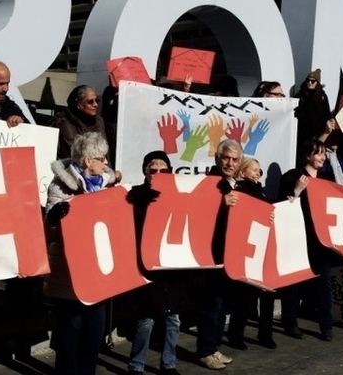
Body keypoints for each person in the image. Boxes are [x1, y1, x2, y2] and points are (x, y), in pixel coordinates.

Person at [44, 132, 118, 375]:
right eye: (102, 158)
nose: (106, 163)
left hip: (98, 273)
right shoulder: (60, 186)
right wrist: (54, 219)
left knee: (93, 336)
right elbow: (50, 232)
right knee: (70, 335)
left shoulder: (107, 186)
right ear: (88, 160)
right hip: (69, 275)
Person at [124, 151, 186, 375]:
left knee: (173, 319)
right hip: (147, 267)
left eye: (164, 170)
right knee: (146, 319)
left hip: (172, 268)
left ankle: (169, 364)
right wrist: (140, 203)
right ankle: (136, 366)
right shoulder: (134, 195)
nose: (158, 174)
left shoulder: (179, 194)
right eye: (153, 170)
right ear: (145, 172)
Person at [278, 139, 334, 342]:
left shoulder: (327, 179)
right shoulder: (292, 177)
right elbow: (282, 207)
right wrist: (297, 191)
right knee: (294, 284)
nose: (322, 157)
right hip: (298, 238)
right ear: (307, 156)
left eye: (323, 154)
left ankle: (326, 326)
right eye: (318, 153)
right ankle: (290, 323)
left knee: (324, 285)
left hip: (321, 241)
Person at [194, 139, 241, 370]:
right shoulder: (209, 183)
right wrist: (219, 203)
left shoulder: (234, 184)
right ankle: (204, 351)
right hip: (210, 256)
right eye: (226, 158)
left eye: (234, 159)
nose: (230, 163)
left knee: (222, 307)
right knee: (210, 307)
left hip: (229, 256)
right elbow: (195, 213)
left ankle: (213, 347)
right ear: (217, 159)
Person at [225, 157, 278, 350]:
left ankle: (266, 333)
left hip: (261, 247)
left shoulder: (259, 192)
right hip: (246, 248)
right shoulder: (238, 192)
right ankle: (235, 335)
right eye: (254, 169)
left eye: (260, 170)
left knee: (267, 293)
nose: (258, 173)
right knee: (245, 297)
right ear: (242, 171)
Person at [50, 85, 108, 161]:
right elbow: (74, 157)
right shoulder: (65, 123)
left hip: (99, 168)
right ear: (79, 104)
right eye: (90, 101)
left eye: (97, 100)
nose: (95, 104)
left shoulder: (98, 121)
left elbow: (106, 152)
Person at [293, 69, 332, 148]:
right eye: (308, 81)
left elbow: (327, 113)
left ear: (317, 82)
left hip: (318, 131)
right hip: (303, 132)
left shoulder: (322, 96)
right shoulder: (301, 94)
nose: (309, 83)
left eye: (312, 81)